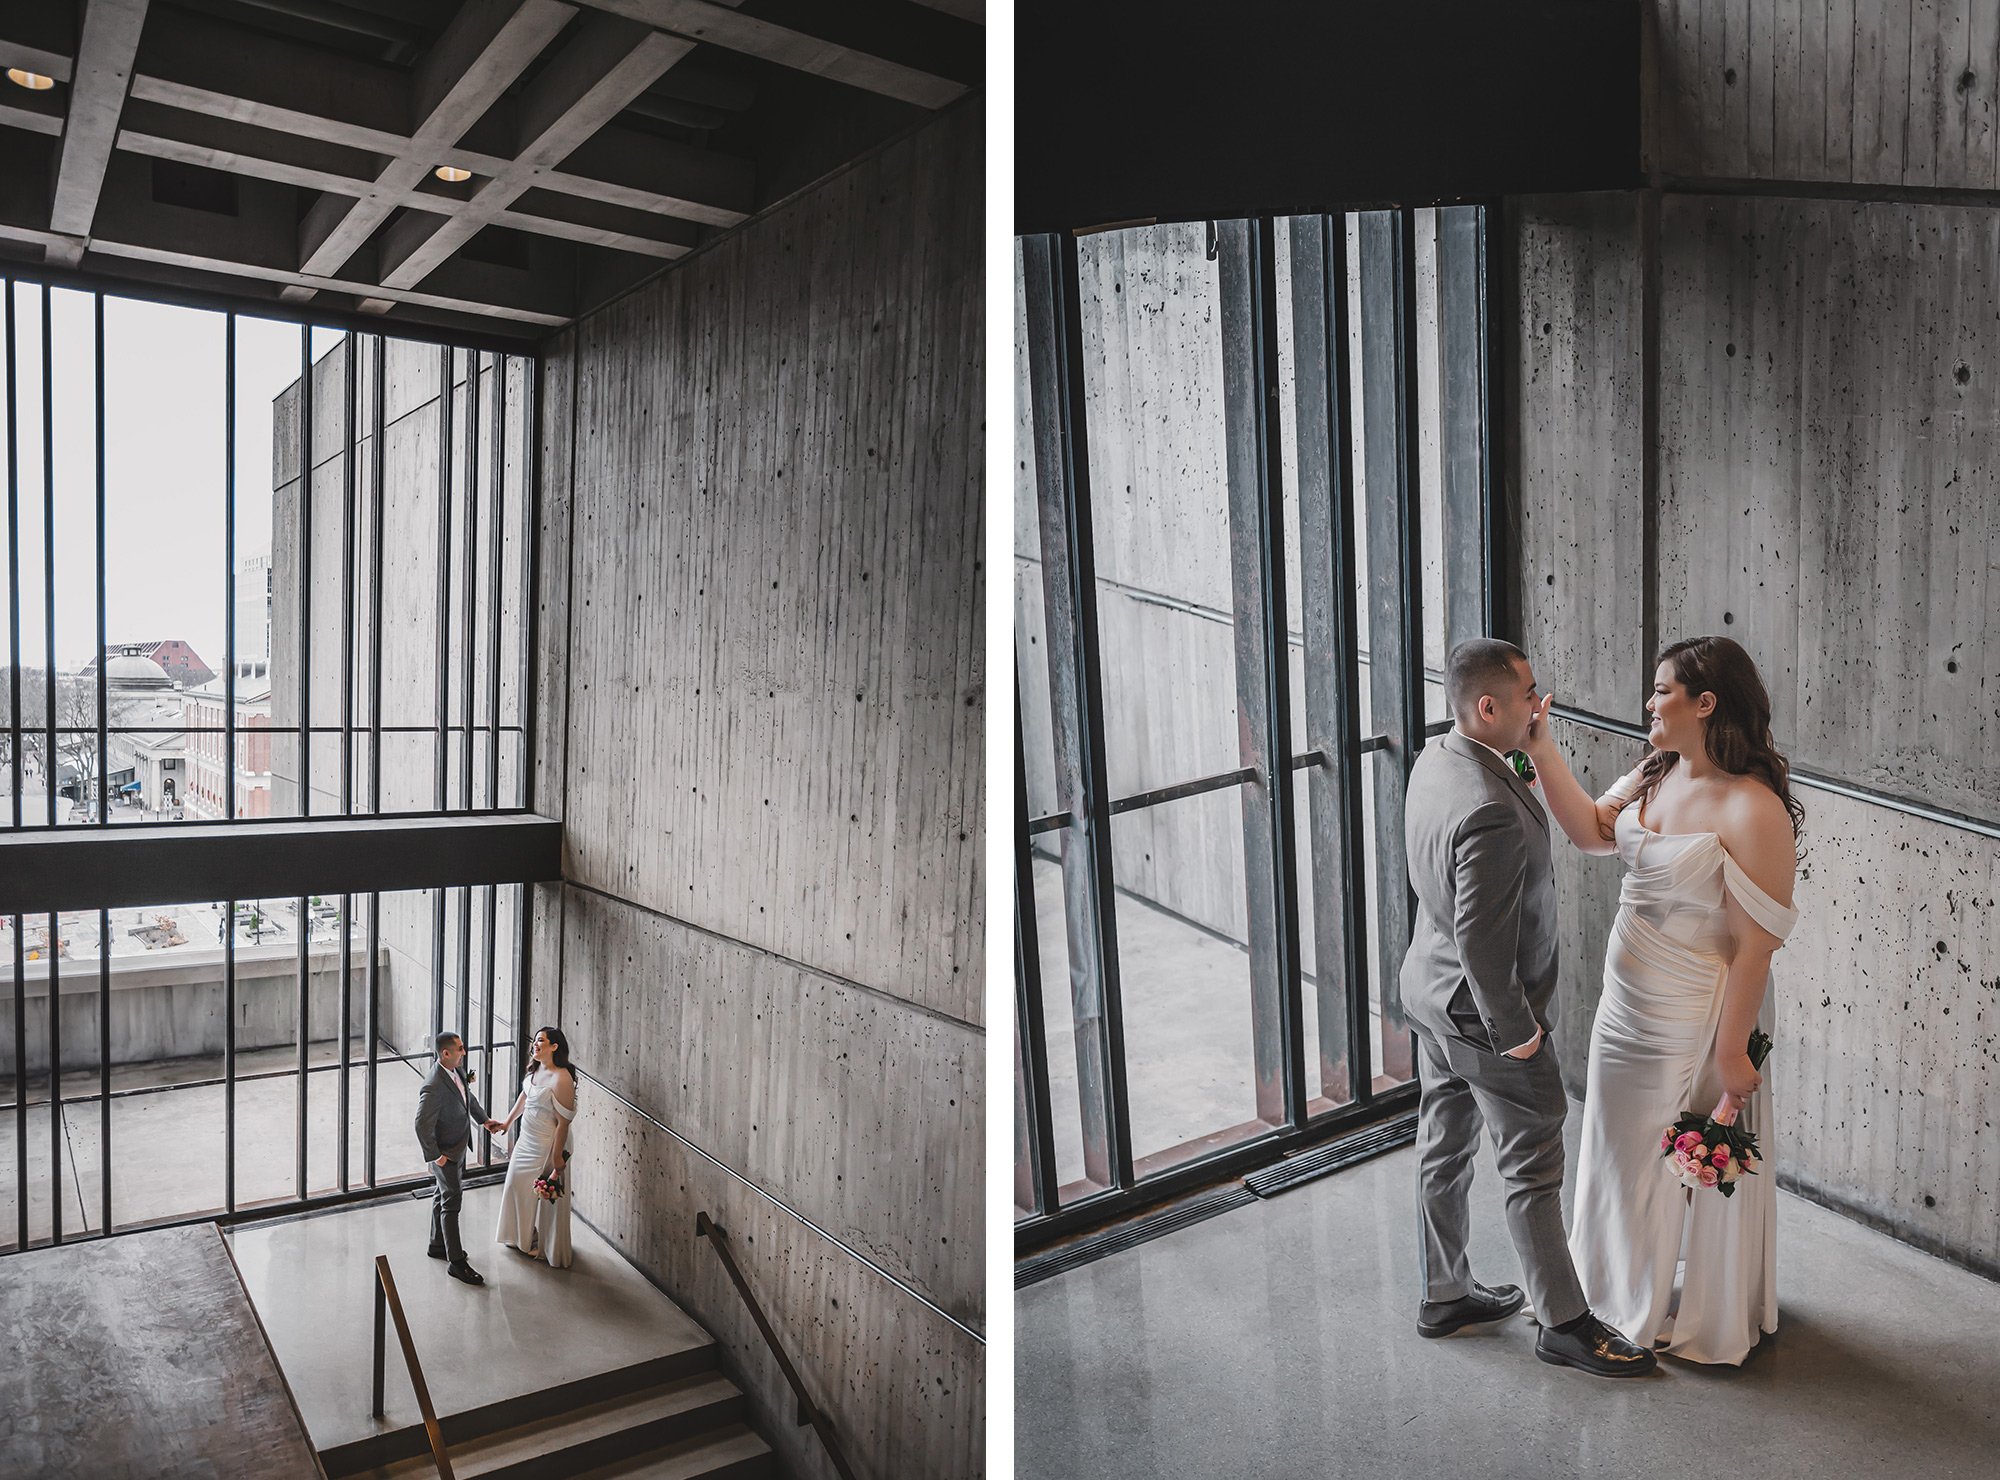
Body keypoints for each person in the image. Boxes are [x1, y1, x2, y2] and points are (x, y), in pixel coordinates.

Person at [1524, 635, 1800, 1365]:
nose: (1649, 703)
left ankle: (1636, 1309)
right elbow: (1590, 832)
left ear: (1704, 703)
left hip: (1691, 1007)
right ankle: (1596, 1295)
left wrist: (1733, 1050)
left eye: (1662, 691)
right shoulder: (1655, 771)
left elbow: (1754, 948)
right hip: (1626, 999)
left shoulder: (1753, 810)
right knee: (1613, 1145)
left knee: (1661, 1157)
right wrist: (1542, 748)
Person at [1402, 638, 1656, 1377]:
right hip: (1483, 1015)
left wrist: (1535, 747)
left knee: (1443, 1144)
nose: (1539, 702)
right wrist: (1515, 1035)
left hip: (1428, 992)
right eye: (1528, 694)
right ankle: (1565, 1324)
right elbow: (1484, 944)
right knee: (1534, 1161)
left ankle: (1445, 1293)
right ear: (1489, 706)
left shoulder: (1440, 759)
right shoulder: (1488, 810)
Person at [413, 1032, 503, 1287]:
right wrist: (436, 1156)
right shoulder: (433, 1086)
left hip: (459, 1146)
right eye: (460, 1049)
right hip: (446, 1153)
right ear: (446, 1053)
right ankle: (456, 1262)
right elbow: (421, 1125)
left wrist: (484, 1120)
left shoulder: (455, 1071)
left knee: (442, 1196)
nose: (464, 1052)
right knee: (452, 1203)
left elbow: (467, 1099)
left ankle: (437, 1245)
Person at [493, 1026, 580, 1268]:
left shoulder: (562, 1078)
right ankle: (520, 1236)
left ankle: (540, 1243)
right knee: (513, 1185)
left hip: (545, 1144)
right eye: (535, 1040)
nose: (535, 1044)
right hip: (526, 1139)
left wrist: (556, 1158)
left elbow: (563, 1122)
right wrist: (507, 1123)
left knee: (538, 1193)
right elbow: (526, 1096)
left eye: (541, 1041)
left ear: (555, 1046)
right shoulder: (537, 1068)